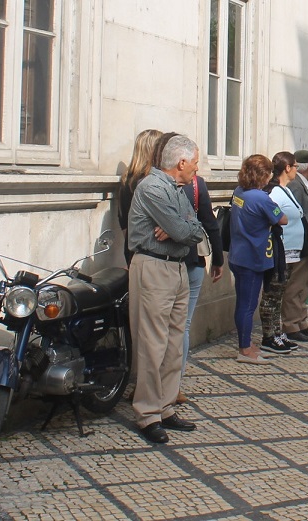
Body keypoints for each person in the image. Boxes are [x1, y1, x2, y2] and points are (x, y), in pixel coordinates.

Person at [128, 134, 206, 444]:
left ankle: (166, 405)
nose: (196, 170)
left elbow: (197, 229)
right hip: (154, 267)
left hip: (176, 267)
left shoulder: (178, 189)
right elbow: (183, 228)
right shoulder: (152, 188)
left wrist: (181, 228)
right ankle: (147, 414)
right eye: (195, 163)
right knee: (153, 343)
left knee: (175, 341)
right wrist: (180, 228)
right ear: (182, 162)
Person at [229, 154, 288, 364]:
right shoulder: (261, 198)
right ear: (262, 175)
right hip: (253, 257)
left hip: (237, 254)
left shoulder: (239, 192)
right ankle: (244, 349)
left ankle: (246, 343)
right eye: (269, 173)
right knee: (247, 305)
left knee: (243, 303)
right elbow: (283, 219)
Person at [177, 172, 224, 404]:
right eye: (194, 160)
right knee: (181, 325)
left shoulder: (138, 181)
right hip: (189, 260)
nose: (197, 166)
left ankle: (152, 386)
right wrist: (218, 258)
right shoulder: (196, 184)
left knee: (154, 329)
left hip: (155, 263)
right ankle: (173, 385)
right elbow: (209, 222)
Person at [258, 152, 305, 353]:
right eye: (295, 166)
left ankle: (277, 333)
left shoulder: (285, 189)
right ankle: (269, 336)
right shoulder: (275, 193)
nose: (297, 170)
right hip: (279, 252)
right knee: (272, 295)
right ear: (287, 168)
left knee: (279, 295)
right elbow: (269, 217)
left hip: (289, 252)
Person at [282, 149, 308, 342]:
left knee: (304, 284)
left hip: (306, 245)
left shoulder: (303, 183)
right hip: (299, 244)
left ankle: (301, 321)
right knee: (295, 285)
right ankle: (291, 324)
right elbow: (293, 217)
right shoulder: (296, 185)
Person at [118, 129, 163, 265]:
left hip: (133, 249)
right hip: (154, 252)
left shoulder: (127, 181)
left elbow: (124, 222)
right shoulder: (153, 181)